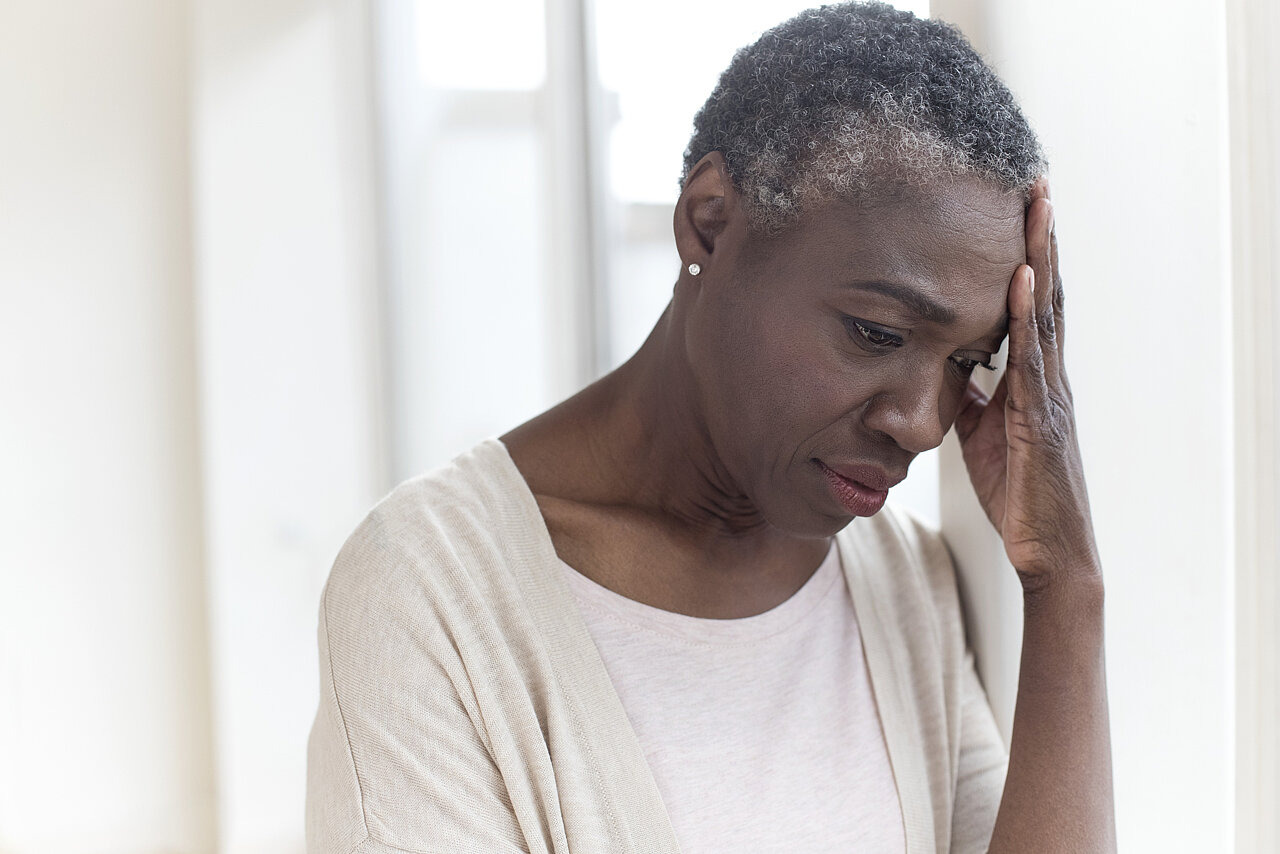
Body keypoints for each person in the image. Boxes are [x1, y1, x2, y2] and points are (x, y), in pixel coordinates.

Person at [305, 2, 1116, 852]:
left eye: (967, 363)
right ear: (711, 220)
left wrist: (1065, 587)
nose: (922, 425)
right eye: (877, 333)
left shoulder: (904, 585)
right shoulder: (430, 595)